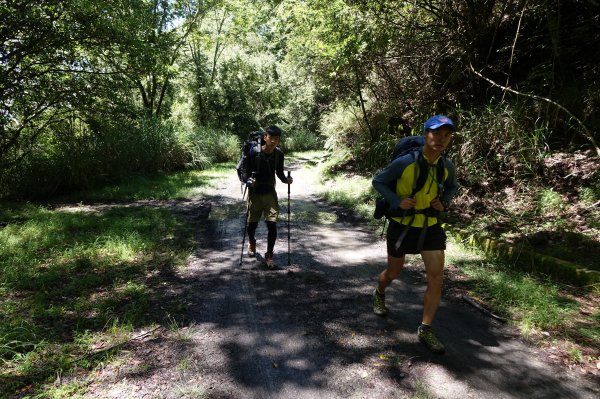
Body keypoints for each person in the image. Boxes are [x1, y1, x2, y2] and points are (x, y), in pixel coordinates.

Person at [371, 115, 459, 353]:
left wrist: (445, 202)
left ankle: (425, 329)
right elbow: (378, 181)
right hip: (403, 225)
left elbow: (453, 186)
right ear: (425, 134)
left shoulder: (446, 165)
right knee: (393, 272)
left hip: (430, 224)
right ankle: (379, 292)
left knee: (436, 276)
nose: (441, 139)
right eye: (436, 133)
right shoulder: (405, 163)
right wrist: (397, 201)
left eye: (446, 135)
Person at [241, 125, 293, 268]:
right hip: (255, 194)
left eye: (277, 139)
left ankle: (269, 255)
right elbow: (244, 172)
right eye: (271, 138)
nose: (273, 142)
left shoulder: (279, 154)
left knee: (272, 225)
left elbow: (280, 172)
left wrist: (285, 180)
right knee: (252, 225)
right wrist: (248, 181)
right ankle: (252, 242)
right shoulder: (253, 152)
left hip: (270, 193)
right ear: (265, 137)